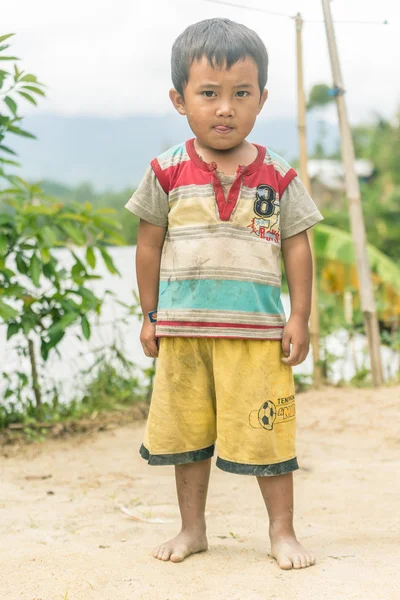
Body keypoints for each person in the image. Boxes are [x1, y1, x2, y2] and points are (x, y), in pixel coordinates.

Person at [125, 18, 323, 570]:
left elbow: (298, 248)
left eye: (241, 94)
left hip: (257, 336)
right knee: (185, 436)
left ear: (262, 98)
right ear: (179, 99)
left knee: (270, 433)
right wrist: (150, 315)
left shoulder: (278, 175)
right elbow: (147, 245)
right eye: (208, 94)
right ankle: (193, 529)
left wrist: (299, 317)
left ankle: (281, 532)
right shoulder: (166, 171)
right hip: (184, 332)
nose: (225, 108)